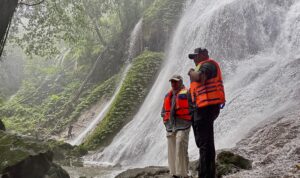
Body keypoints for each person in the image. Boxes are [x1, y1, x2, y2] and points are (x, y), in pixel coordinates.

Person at [188, 48, 226, 178]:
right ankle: (207, 173)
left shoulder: (208, 64)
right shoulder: (203, 66)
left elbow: (200, 78)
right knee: (205, 144)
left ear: (203, 55)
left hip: (206, 109)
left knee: (205, 145)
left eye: (195, 56)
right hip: (201, 110)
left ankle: (205, 175)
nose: (194, 59)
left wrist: (191, 72)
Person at [161, 75, 192, 178]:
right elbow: (163, 112)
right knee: (172, 149)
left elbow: (193, 107)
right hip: (170, 126)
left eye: (176, 82)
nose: (173, 84)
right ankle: (174, 173)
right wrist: (165, 122)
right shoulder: (167, 96)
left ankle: (183, 174)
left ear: (181, 82)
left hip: (184, 124)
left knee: (181, 146)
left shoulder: (187, 93)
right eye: (172, 82)